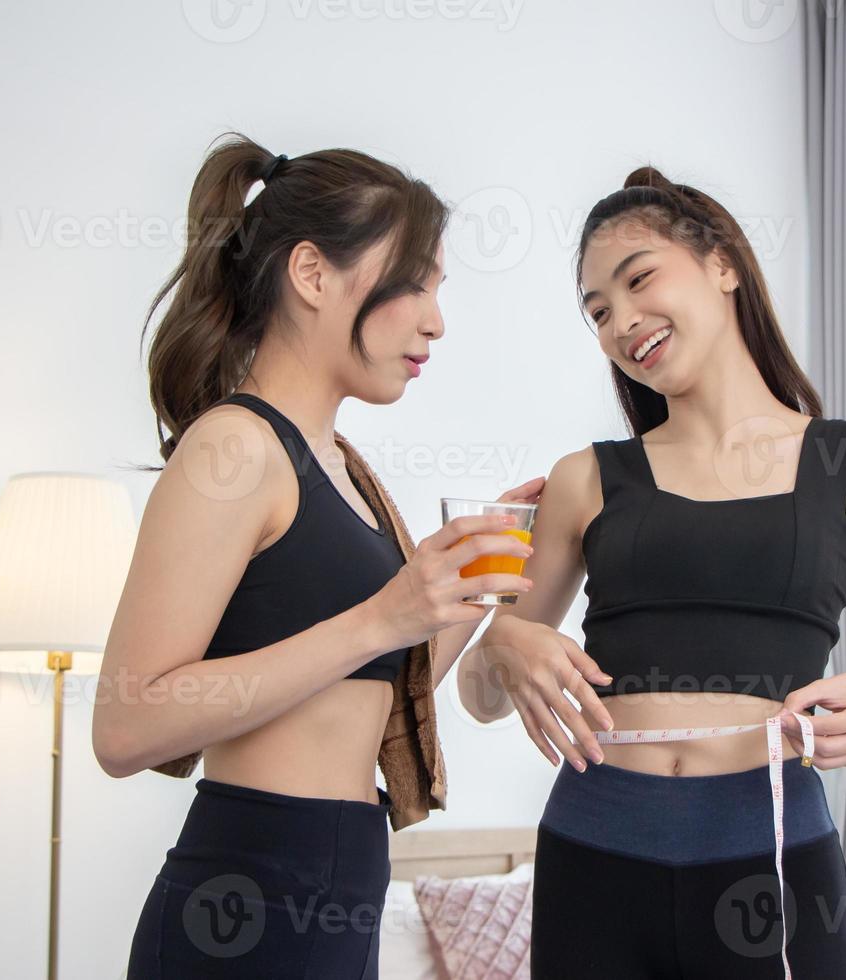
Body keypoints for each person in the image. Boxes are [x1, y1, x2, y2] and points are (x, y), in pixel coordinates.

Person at [459, 167, 846, 978]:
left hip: (774, 854)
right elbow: (479, 696)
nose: (621, 322)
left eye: (640, 279)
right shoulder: (585, 477)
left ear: (724, 265)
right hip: (595, 849)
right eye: (599, 311)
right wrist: (503, 640)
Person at [92, 133, 541, 978]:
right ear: (311, 274)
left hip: (342, 884)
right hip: (247, 892)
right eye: (415, 283)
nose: (436, 319)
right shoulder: (234, 447)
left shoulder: (342, 467)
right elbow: (125, 726)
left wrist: (476, 582)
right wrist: (381, 615)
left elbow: (373, 687)